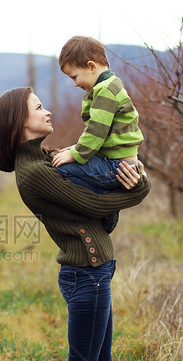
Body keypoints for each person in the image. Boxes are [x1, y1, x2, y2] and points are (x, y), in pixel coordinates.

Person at [0, 87, 150, 361]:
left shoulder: (49, 161)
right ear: (18, 122)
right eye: (38, 107)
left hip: (96, 273)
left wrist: (120, 182)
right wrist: (139, 188)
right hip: (85, 276)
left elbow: (100, 218)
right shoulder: (34, 175)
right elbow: (92, 206)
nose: (47, 111)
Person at [50, 36, 144, 232]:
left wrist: (75, 154)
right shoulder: (110, 86)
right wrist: (75, 149)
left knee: (62, 171)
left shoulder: (105, 91)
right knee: (68, 165)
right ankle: (103, 207)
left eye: (74, 77)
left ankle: (102, 208)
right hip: (120, 163)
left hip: (116, 166)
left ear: (91, 66)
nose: (75, 84)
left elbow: (96, 132)